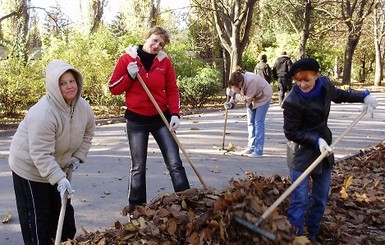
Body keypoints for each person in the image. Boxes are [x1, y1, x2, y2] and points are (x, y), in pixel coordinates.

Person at [282, 57, 378, 242]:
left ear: (316, 76)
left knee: (320, 197)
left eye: (306, 80)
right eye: (298, 80)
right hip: (300, 152)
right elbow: (291, 132)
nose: (302, 84)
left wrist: (364, 95)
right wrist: (315, 140)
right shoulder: (292, 101)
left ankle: (313, 234)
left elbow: (341, 95)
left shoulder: (325, 85)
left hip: (324, 150)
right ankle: (295, 237)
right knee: (299, 199)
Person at [9, 60, 95, 244]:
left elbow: (88, 132)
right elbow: (40, 154)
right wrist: (59, 178)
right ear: (55, 87)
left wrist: (78, 157)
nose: (69, 86)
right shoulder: (43, 113)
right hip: (30, 170)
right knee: (39, 222)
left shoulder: (83, 107)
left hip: (58, 167)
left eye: (71, 81)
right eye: (62, 83)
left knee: (64, 219)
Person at [108, 26, 190, 211]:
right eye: (154, 40)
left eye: (161, 44)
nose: (156, 46)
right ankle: (137, 208)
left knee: (175, 162)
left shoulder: (164, 62)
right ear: (146, 37)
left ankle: (187, 201)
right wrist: (129, 75)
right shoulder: (127, 59)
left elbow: (171, 89)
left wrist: (175, 113)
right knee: (138, 166)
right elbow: (113, 88)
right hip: (136, 120)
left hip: (161, 118)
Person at [224, 67, 273, 158]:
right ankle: (251, 146)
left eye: (237, 86)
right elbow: (237, 93)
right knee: (250, 123)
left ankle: (258, 150)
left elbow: (246, 98)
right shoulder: (237, 83)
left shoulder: (251, 81)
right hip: (252, 100)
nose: (237, 87)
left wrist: (234, 95)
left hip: (263, 97)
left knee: (258, 122)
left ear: (240, 82)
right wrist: (231, 103)